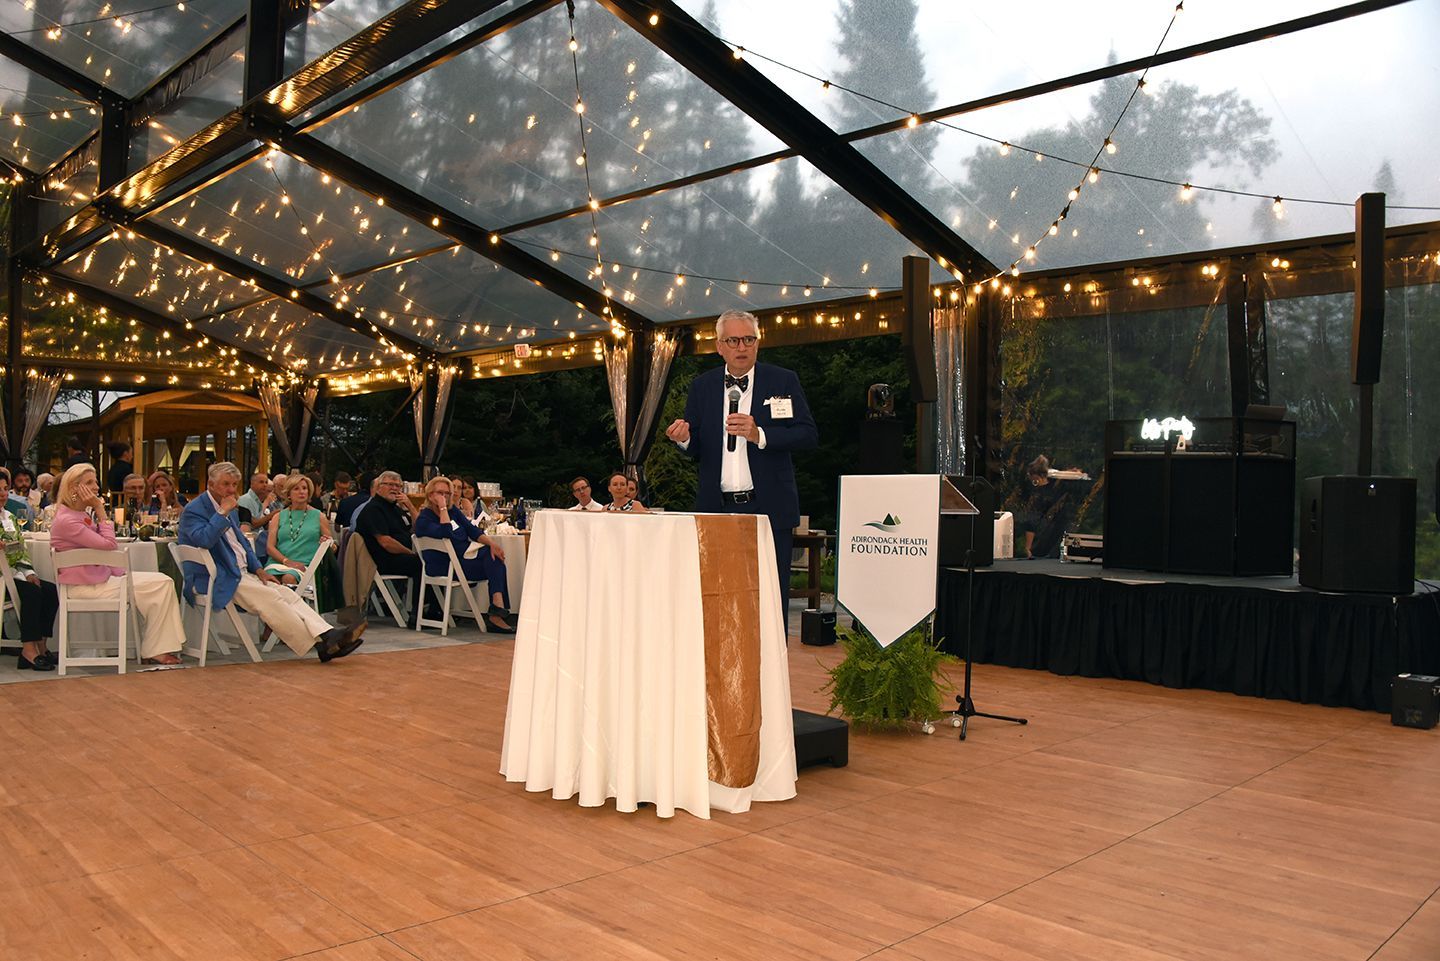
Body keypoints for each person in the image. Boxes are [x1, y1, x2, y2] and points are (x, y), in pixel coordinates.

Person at [664, 308, 818, 610]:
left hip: (769, 508)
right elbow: (697, 447)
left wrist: (759, 434)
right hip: (716, 509)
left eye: (749, 339)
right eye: (733, 341)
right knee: (716, 594)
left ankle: (774, 658)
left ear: (758, 343)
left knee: (771, 598)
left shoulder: (783, 381)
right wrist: (683, 439)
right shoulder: (702, 387)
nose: (742, 347)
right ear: (719, 346)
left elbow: (808, 434)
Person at [178, 462, 365, 662]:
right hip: (214, 576)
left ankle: (327, 635)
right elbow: (204, 540)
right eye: (226, 484)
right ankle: (322, 644)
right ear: (211, 484)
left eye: (234, 485)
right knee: (270, 597)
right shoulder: (195, 510)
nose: (231, 490)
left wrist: (258, 569)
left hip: (239, 572)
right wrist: (221, 513)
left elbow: (242, 544)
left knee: (285, 592)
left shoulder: (229, 505)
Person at [50, 463, 186, 666]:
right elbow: (109, 544)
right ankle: (156, 649)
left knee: (163, 582)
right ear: (74, 488)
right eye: (89, 483)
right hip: (85, 587)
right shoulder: (68, 520)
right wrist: (99, 508)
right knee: (162, 584)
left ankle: (156, 648)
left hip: (98, 579)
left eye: (95, 481)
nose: (96, 487)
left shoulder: (76, 515)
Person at [413, 476, 516, 632]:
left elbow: (472, 530)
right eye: (440, 493)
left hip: (462, 560)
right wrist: (442, 508)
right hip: (444, 566)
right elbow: (446, 531)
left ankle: (497, 608)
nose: (445, 497)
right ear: (430, 495)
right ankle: (497, 614)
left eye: (448, 493)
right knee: (495, 563)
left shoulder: (453, 511)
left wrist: (492, 544)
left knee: (494, 556)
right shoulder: (424, 519)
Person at [2, 497, 59, 670]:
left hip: (14, 573)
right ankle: (28, 650)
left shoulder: (9, 517)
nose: (2, 493)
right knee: (31, 593)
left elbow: (20, 548)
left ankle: (41, 645)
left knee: (49, 590)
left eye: (5, 489)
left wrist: (29, 572)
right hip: (1, 577)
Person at [354, 470, 424, 611]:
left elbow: (418, 530)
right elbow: (385, 542)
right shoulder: (373, 509)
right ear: (378, 487)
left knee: (434, 559)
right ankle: (418, 612)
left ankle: (430, 608)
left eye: (398, 486)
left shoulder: (395, 508)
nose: (395, 488)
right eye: (390, 484)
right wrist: (411, 553)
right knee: (422, 563)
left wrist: (410, 506)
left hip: (397, 556)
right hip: (382, 560)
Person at [264, 474, 331, 584]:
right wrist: (286, 561)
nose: (302, 492)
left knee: (288, 578)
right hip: (279, 563)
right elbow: (270, 547)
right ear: (289, 494)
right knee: (271, 579)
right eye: (296, 489)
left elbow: (331, 546)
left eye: (304, 488)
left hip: (305, 565)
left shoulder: (319, 516)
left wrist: (328, 543)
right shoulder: (278, 517)